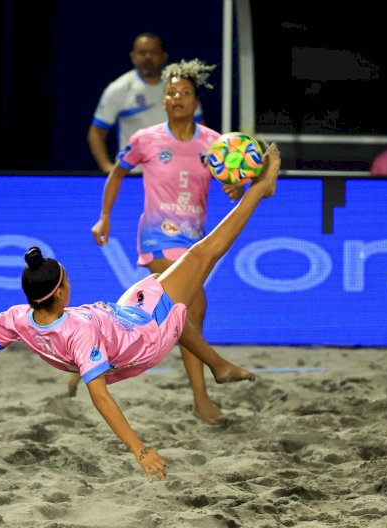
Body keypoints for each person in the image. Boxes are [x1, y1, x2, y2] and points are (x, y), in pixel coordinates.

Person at [0, 143, 281, 481]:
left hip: (122, 315)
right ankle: (258, 190)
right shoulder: (78, 336)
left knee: (155, 281)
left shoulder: (18, 317)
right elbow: (101, 398)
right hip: (142, 337)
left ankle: (218, 365)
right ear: (61, 292)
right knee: (204, 253)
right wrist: (141, 450)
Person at [85, 58, 244, 425]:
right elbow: (117, 172)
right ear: (164, 100)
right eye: (171, 92)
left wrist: (236, 186)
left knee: (184, 315)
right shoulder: (146, 139)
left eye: (184, 93)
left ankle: (93, 363)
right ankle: (206, 392)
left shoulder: (214, 142)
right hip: (156, 237)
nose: (176, 97)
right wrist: (105, 216)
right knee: (190, 306)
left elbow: (232, 183)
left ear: (195, 101)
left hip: (194, 240)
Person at [87, 32, 205, 174]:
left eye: (153, 52)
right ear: (133, 56)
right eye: (142, 53)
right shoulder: (119, 89)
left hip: (176, 175)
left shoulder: (182, 88)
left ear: (163, 56)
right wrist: (108, 167)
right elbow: (96, 132)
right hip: (134, 176)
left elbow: (200, 130)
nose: (148, 57)